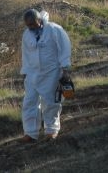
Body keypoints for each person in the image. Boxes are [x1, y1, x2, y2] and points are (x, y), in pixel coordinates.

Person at [19, 8, 72, 143]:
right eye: (28, 25)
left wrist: (65, 69)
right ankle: (30, 133)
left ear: (39, 20)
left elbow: (64, 48)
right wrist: (24, 72)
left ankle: (51, 130)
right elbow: (25, 54)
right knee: (29, 102)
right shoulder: (27, 34)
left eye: (32, 24)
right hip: (32, 73)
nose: (30, 27)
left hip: (51, 72)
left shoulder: (54, 30)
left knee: (51, 102)